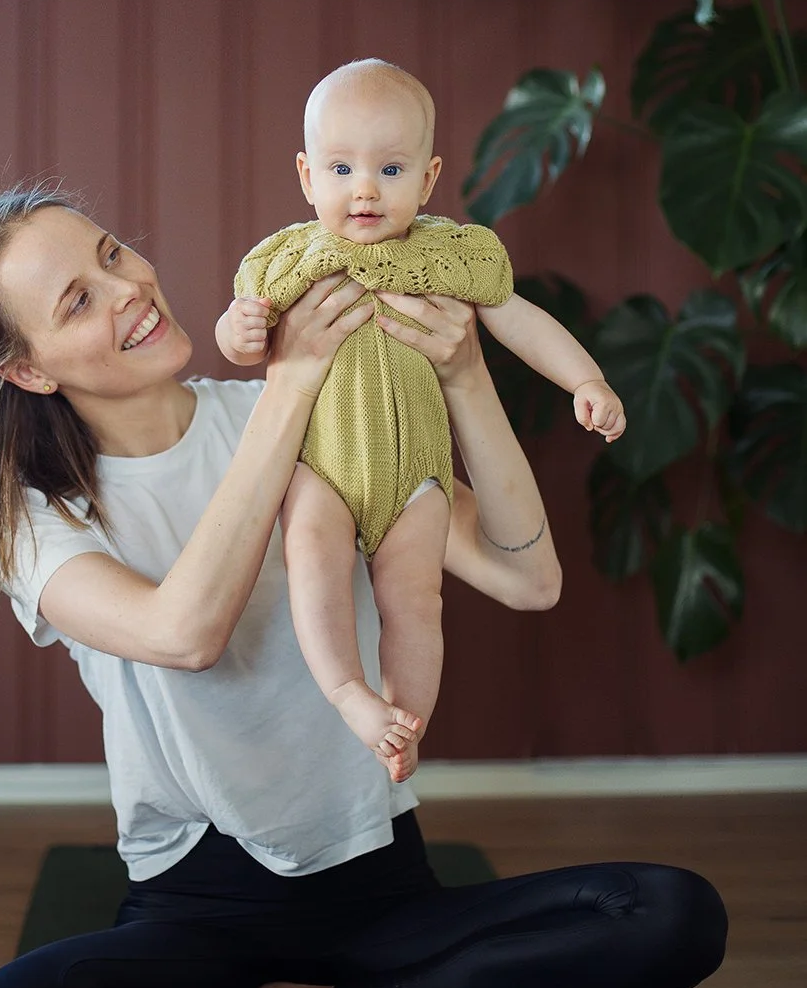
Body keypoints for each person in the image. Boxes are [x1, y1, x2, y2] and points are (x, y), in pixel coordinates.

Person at [0, 184, 726, 988]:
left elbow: (527, 578)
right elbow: (184, 634)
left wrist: (463, 378)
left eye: (113, 254)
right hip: (196, 901)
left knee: (669, 915)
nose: (127, 287)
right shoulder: (35, 518)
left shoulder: (328, 412)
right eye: (77, 300)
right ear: (28, 369)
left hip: (377, 881)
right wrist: (288, 390)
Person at [217, 58, 625, 780]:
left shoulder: (450, 254)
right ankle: (348, 691)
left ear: (430, 180)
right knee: (312, 558)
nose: (365, 188)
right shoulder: (290, 259)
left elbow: (520, 320)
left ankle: (404, 724)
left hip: (417, 477)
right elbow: (240, 325)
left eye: (391, 169)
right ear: (308, 178)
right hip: (322, 469)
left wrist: (584, 379)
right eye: (341, 169)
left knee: (414, 602)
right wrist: (240, 333)